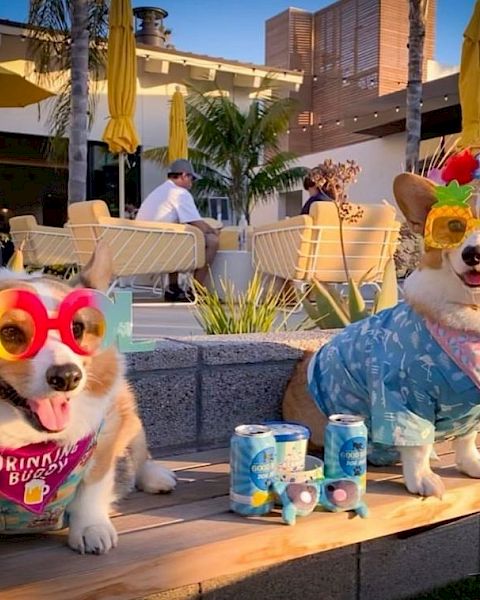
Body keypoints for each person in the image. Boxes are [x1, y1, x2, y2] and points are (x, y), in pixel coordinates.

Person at [136, 158, 219, 302]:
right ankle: (196, 290)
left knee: (176, 236)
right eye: (191, 178)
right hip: (159, 247)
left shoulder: (161, 190)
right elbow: (197, 223)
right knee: (212, 241)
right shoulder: (179, 193)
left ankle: (173, 288)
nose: (192, 183)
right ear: (183, 175)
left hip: (144, 244)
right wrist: (214, 230)